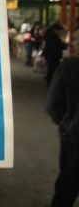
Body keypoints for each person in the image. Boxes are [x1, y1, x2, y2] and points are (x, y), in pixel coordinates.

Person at [46, 56, 79, 207]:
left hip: (74, 136)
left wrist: (66, 123)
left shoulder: (71, 66)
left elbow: (53, 104)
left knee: (68, 182)